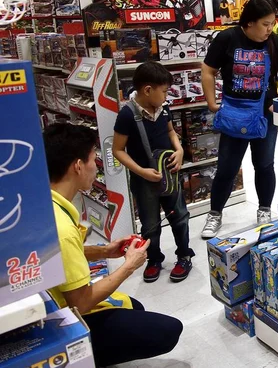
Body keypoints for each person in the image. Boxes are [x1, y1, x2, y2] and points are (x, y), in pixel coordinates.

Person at [43, 123, 183, 367]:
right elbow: (81, 302)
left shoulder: (47, 205)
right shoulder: (62, 228)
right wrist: (129, 266)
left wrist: (103, 251)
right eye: (92, 160)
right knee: (169, 330)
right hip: (61, 319)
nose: (95, 166)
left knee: (136, 307)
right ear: (77, 166)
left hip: (53, 303)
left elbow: (58, 254)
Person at [200, 0, 278, 238]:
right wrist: (211, 101)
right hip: (234, 113)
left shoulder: (274, 42)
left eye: (272, 23)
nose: (269, 29)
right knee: (226, 168)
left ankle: (264, 209)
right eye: (265, 24)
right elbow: (208, 70)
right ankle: (215, 214)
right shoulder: (227, 38)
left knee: (264, 165)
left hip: (264, 115)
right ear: (250, 22)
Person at [113, 61, 195, 283]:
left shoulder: (164, 108)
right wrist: (141, 171)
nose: (166, 95)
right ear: (147, 90)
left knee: (179, 216)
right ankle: (154, 258)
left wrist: (179, 150)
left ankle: (184, 255)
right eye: (164, 91)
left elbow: (171, 132)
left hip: (170, 174)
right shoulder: (127, 115)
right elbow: (118, 150)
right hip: (144, 180)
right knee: (150, 224)